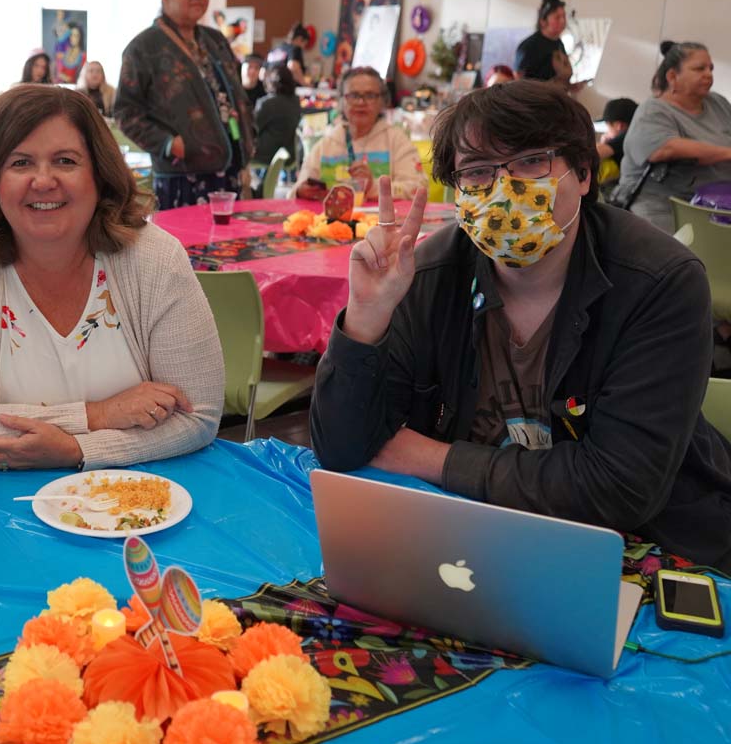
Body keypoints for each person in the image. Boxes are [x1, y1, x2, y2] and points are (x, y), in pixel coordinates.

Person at [309, 80, 731, 568]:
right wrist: (365, 320)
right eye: (479, 172)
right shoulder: (425, 274)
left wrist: (427, 457)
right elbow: (342, 448)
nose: (505, 191)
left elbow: (618, 489)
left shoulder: (659, 283)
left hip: (643, 549)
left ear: (584, 174)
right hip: (466, 545)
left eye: (532, 161)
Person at [0, 84, 223, 470]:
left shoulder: (154, 258)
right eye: (20, 163)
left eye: (65, 161)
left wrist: (78, 452)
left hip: (140, 503)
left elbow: (197, 415)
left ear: (99, 174)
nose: (43, 181)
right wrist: (98, 415)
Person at [114, 0, 254, 209]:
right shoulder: (143, 48)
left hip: (231, 167)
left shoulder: (215, 40)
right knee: (186, 242)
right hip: (182, 174)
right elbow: (125, 113)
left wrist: (248, 134)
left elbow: (235, 95)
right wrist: (168, 144)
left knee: (229, 242)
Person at [615, 42, 731, 232]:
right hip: (664, 209)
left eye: (710, 68)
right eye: (699, 68)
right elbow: (665, 148)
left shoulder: (718, 103)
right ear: (672, 76)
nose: (708, 74)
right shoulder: (652, 111)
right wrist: (727, 153)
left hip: (718, 207)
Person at [295, 66, 425, 202]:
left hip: (383, 222)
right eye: (353, 95)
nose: (360, 102)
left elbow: (417, 189)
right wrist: (302, 191)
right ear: (341, 101)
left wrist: (372, 187)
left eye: (370, 96)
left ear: (383, 101)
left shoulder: (397, 140)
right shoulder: (326, 144)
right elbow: (297, 188)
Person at [514, 0, 575, 89]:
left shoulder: (559, 44)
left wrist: (570, 86)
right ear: (543, 21)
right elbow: (519, 78)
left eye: (563, 16)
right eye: (557, 17)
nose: (563, 21)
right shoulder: (529, 46)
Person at [253, 64, 300, 166]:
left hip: (265, 156)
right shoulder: (296, 101)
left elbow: (253, 129)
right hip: (289, 156)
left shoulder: (266, 103)